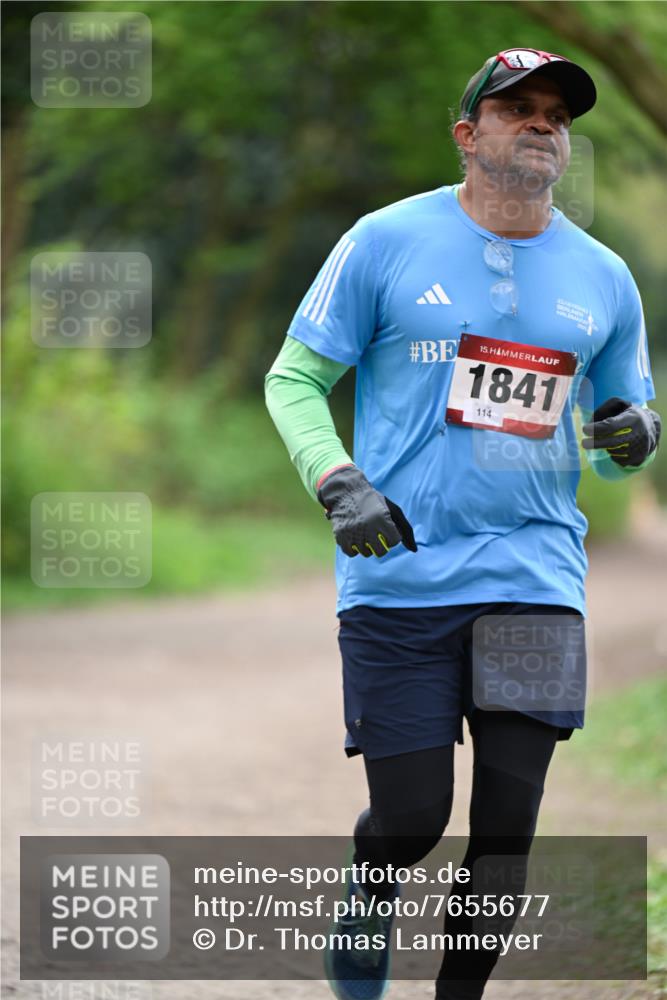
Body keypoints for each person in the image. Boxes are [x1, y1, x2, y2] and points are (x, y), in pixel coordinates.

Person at [264, 47, 661, 1000]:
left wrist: (638, 431)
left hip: (534, 577)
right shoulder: (382, 241)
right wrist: (338, 480)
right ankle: (368, 892)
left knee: (504, 838)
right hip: (400, 574)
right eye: (516, 108)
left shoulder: (603, 278)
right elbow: (294, 379)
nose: (541, 124)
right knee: (411, 819)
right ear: (466, 134)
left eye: (556, 115)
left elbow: (621, 434)